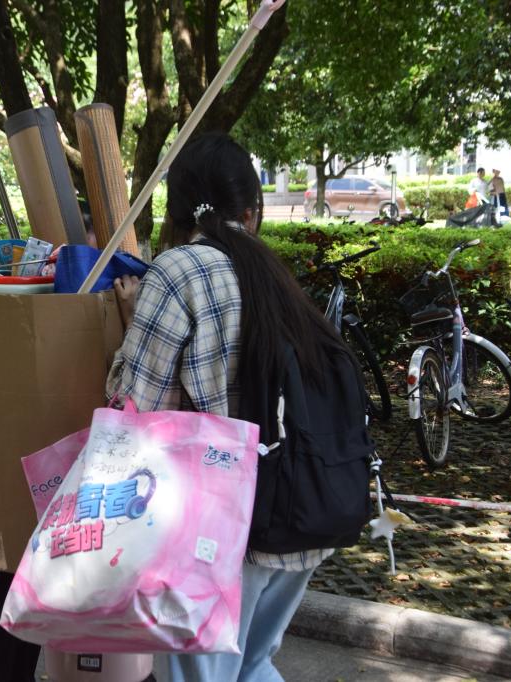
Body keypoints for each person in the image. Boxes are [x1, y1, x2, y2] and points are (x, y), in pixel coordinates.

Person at [107, 132, 357, 681]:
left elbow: (136, 411)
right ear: (252, 209)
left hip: (221, 535)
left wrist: (130, 324)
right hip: (304, 515)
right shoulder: (277, 277)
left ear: (175, 213)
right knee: (253, 666)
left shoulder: (177, 272)